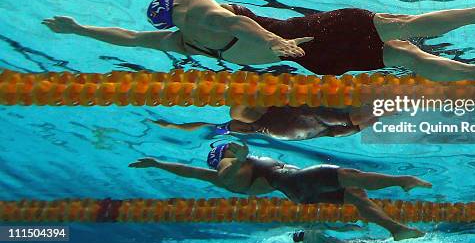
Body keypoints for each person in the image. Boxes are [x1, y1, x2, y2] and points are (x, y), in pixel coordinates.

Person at [43, 0, 475, 88]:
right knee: (412, 48)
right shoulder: (182, 42)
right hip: (318, 57)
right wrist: (79, 29)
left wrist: (275, 43)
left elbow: (237, 25)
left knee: (410, 44)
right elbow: (128, 39)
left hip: (316, 35)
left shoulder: (206, 21)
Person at [128, 142, 432, 240]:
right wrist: (241, 157)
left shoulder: (220, 175)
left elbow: (185, 170)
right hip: (298, 183)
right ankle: (401, 180)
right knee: (351, 178)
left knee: (357, 196)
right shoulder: (225, 172)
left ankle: (397, 230)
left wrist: (156, 162)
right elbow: (226, 171)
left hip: (299, 191)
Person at [151, 105, 380, 141]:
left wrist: (174, 127)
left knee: (357, 122)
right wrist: (174, 127)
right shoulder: (248, 119)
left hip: (295, 132)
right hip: (300, 122)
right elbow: (206, 126)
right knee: (355, 118)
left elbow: (205, 126)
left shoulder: (243, 125)